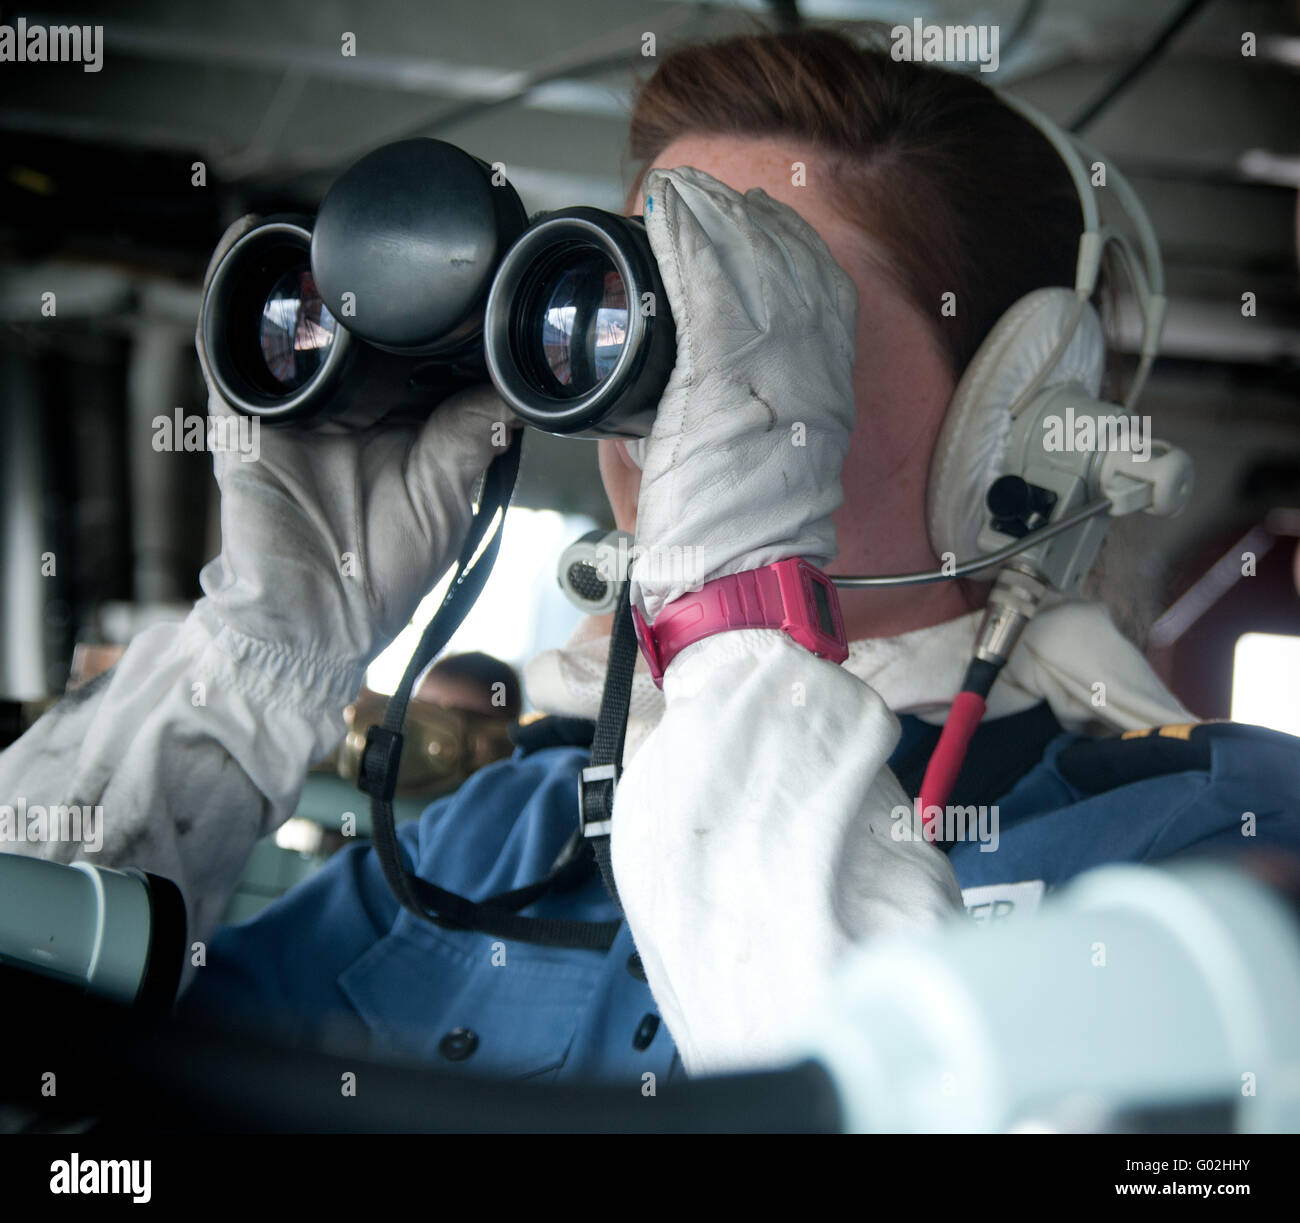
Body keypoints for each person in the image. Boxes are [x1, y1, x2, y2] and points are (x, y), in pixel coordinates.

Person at [1, 29, 1297, 1088]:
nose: (692, 407)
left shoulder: (1214, 830)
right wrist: (256, 655)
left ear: (1010, 415)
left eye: (782, 323)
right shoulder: (503, 833)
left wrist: (738, 600)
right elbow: (69, 1072)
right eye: (661, 318)